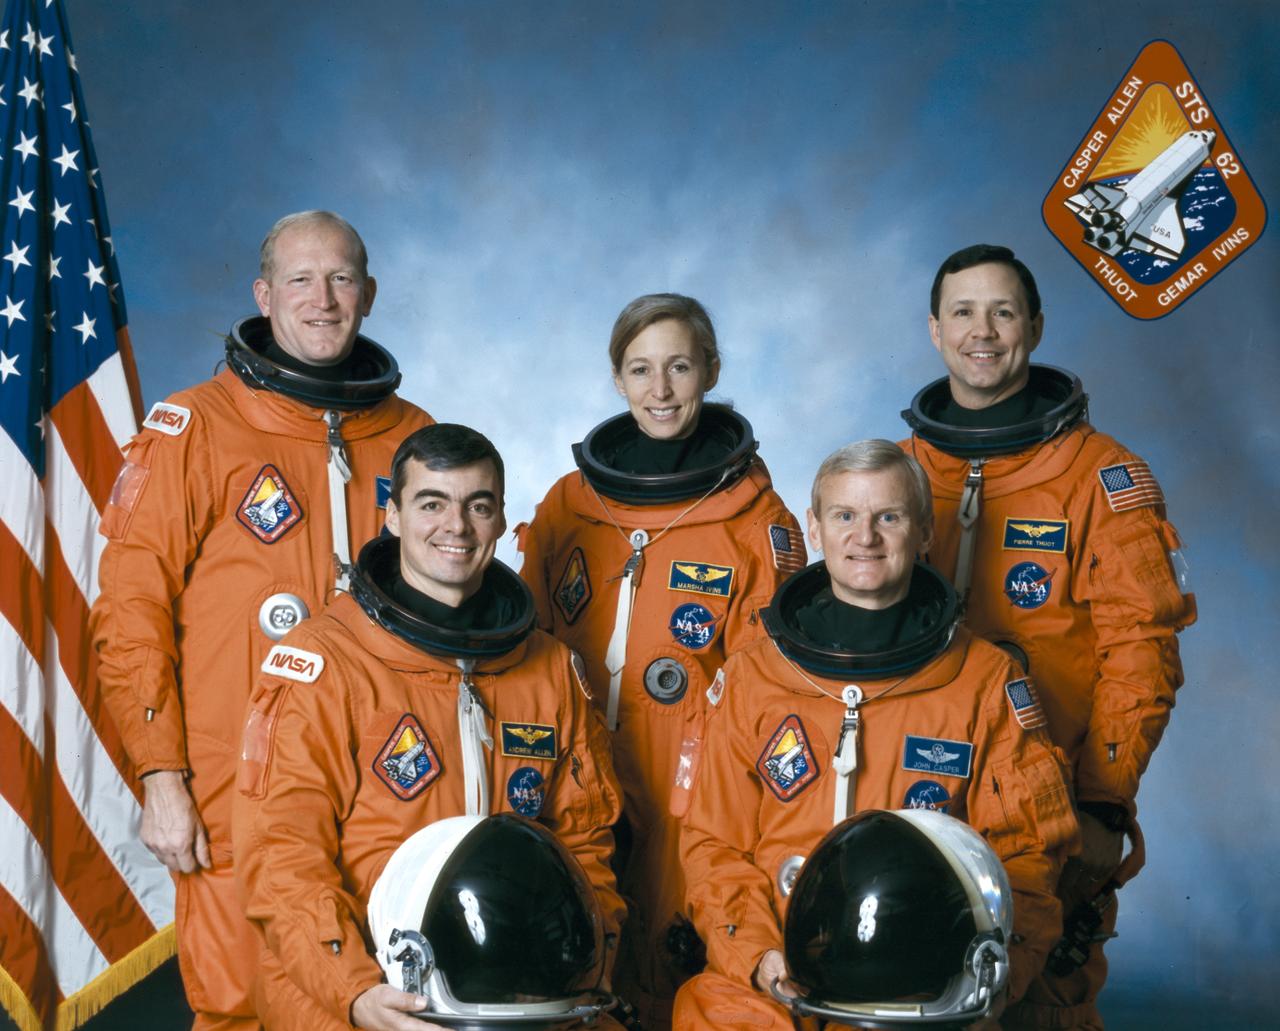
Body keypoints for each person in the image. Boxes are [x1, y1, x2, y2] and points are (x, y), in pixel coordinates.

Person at [90, 211, 433, 1030]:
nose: (323, 299)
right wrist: (160, 775)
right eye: (301, 279)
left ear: (370, 294)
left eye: (342, 278)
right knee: (244, 1009)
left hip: (385, 791)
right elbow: (129, 611)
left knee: (390, 1007)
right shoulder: (195, 427)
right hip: (236, 787)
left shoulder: (416, 438)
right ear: (264, 294)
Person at [233, 424, 625, 1031]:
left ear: (499, 521)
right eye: (431, 502)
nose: (457, 526)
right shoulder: (325, 662)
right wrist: (355, 992)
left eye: (479, 505)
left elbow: (585, 842)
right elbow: (281, 853)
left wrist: (583, 964)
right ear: (391, 515)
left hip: (518, 997)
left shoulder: (549, 668)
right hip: (365, 987)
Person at [674, 441, 1078, 1030]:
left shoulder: (985, 682)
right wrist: (758, 959)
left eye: (888, 516)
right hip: (773, 971)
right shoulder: (754, 676)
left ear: (924, 532)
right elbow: (713, 846)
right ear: (814, 529)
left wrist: (968, 987)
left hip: (918, 984)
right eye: (845, 516)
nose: (865, 537)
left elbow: (1026, 859)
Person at [900, 243, 1196, 1030]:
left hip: (1046, 802)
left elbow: (1143, 651)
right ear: (935, 330)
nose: (983, 331)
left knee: (1036, 1006)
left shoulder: (1101, 478)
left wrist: (1102, 802)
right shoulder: (895, 476)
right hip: (913, 790)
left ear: (1034, 323)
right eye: (963, 311)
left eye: (1002, 310)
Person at [518, 294, 807, 1029]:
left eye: (679, 366)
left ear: (710, 369)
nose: (661, 389)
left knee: (673, 963)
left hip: (691, 782)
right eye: (640, 369)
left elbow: (768, 692)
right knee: (571, 955)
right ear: (618, 379)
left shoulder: (756, 522)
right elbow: (526, 651)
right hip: (572, 770)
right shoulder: (569, 504)